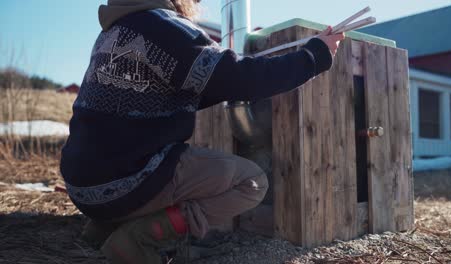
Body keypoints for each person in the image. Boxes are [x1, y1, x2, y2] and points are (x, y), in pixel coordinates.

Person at [60, 0, 345, 263]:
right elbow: (237, 78)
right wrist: (313, 57)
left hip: (83, 187)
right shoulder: (162, 26)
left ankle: (104, 225)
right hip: (128, 181)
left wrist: (224, 81)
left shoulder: (114, 32)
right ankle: (139, 238)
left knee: (160, 160)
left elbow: (185, 87)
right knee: (251, 182)